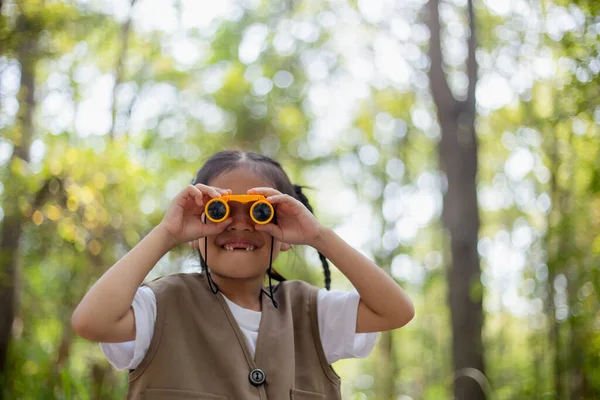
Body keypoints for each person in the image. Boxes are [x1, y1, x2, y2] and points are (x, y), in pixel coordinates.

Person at [72, 150, 414, 399]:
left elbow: (397, 311)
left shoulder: (311, 312)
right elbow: (90, 321)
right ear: (195, 230)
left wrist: (318, 235)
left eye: (260, 213)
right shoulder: (159, 307)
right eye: (218, 210)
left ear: (283, 234)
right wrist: (168, 232)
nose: (238, 224)